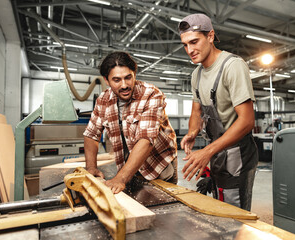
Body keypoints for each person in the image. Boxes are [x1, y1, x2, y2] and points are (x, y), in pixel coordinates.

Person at [178, 13, 258, 210]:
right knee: (219, 202)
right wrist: (192, 132)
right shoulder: (196, 74)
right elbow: (196, 111)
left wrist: (207, 151)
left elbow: (247, 121)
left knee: (234, 210)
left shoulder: (232, 66)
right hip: (218, 151)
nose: (189, 50)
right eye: (185, 45)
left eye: (194, 42)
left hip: (238, 152)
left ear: (211, 36)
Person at [83, 51, 178, 194]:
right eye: (116, 80)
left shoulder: (151, 95)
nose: (124, 85)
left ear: (134, 74)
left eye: (128, 78)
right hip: (129, 170)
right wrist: (91, 167)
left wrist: (120, 179)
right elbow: (91, 134)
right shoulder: (103, 100)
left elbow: (146, 140)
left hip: (158, 169)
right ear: (107, 80)